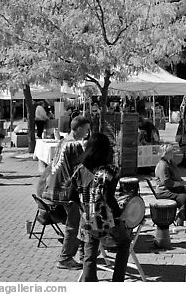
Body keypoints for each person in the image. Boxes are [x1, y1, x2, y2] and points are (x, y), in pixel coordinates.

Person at [70, 133, 131, 282]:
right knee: (124, 244)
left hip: (88, 218)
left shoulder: (79, 169)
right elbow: (108, 197)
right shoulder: (110, 170)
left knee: (89, 252)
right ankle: (118, 281)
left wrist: (85, 209)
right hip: (106, 218)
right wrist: (119, 214)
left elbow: (71, 196)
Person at [41, 116, 91, 270]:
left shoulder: (63, 141)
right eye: (87, 129)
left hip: (53, 189)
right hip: (66, 192)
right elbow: (79, 171)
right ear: (80, 128)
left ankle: (82, 253)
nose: (88, 132)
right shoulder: (75, 145)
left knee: (75, 222)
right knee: (74, 224)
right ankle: (66, 258)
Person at [154, 143, 186, 225]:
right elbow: (167, 182)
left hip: (173, 188)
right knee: (184, 198)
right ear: (165, 154)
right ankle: (180, 220)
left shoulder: (171, 162)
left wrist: (184, 184)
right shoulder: (163, 165)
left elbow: (176, 176)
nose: (173, 153)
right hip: (164, 191)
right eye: (171, 152)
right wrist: (180, 183)